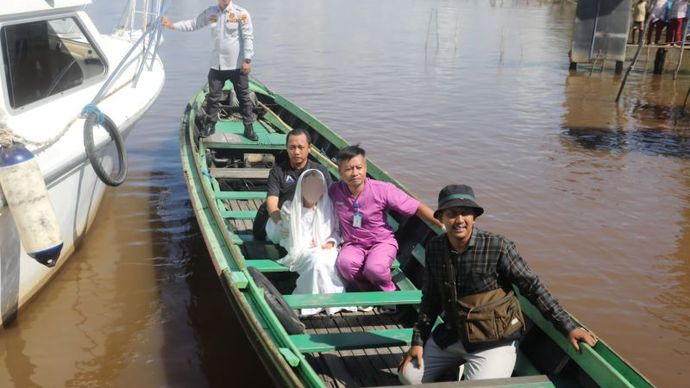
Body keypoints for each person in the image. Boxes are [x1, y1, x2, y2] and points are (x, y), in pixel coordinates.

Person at [398, 184, 597, 384]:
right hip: (453, 335)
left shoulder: (498, 247)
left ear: (474, 217)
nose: (459, 220)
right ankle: (449, 372)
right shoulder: (435, 248)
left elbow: (533, 288)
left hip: (493, 341)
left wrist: (568, 327)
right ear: (440, 218)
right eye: (452, 213)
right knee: (408, 376)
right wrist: (419, 341)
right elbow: (430, 299)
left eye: (466, 213)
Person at [329, 145, 442, 293]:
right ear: (340, 172)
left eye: (359, 167)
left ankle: (389, 293)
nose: (355, 173)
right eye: (349, 169)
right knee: (345, 265)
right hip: (353, 243)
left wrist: (440, 222)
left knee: (375, 269)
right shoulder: (334, 191)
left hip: (381, 242)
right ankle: (367, 290)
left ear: (365, 167)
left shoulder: (382, 189)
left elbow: (416, 207)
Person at [161, 0, 258, 141]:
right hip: (217, 64)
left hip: (237, 65)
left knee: (244, 98)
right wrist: (172, 25)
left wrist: (248, 60)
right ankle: (210, 125)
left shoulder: (241, 14)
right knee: (213, 97)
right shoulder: (210, 12)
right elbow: (194, 24)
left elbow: (248, 37)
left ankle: (249, 127)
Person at [274, 169, 352, 316]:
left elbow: (336, 232)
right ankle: (316, 302)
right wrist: (305, 242)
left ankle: (327, 301)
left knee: (326, 262)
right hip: (301, 249)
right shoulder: (289, 208)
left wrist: (330, 242)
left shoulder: (329, 207)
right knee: (316, 263)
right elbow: (286, 235)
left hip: (325, 247)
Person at [253, 128, 332, 241]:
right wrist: (280, 223)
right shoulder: (278, 171)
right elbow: (272, 202)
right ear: (287, 148)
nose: (296, 152)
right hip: (282, 214)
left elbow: (329, 202)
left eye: (301, 147)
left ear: (309, 148)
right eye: (292, 147)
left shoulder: (320, 171)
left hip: (306, 215)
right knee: (260, 234)